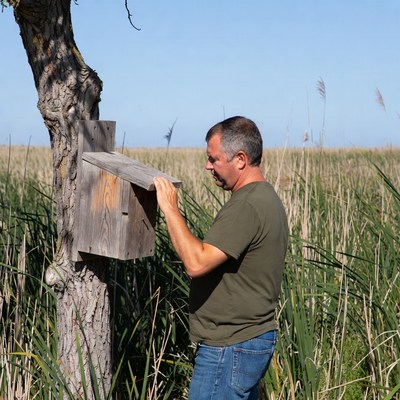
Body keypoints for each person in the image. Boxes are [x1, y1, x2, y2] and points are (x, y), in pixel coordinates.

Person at [153, 116, 288, 400]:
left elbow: (196, 262)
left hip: (230, 347)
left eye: (213, 159)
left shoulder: (247, 205)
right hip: (248, 340)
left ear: (240, 159)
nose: (207, 166)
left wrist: (170, 209)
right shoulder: (265, 197)